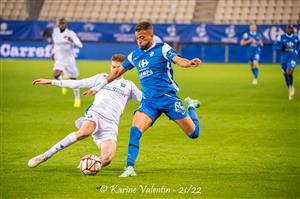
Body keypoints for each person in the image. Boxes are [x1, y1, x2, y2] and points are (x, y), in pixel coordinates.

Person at [83, 22, 202, 177]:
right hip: (149, 102)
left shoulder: (162, 48)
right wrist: (98, 87)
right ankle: (130, 168)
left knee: (194, 134)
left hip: (168, 99)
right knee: (135, 130)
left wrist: (189, 63)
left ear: (151, 36)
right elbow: (117, 71)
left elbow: (179, 60)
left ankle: (191, 106)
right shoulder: (135, 55)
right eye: (137, 38)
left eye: (142, 37)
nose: (139, 41)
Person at [28, 54, 142, 169]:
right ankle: (45, 156)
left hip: (111, 124)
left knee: (107, 159)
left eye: (119, 67)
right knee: (84, 132)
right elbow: (78, 83)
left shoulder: (129, 85)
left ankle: (87, 165)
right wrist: (51, 81)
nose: (116, 70)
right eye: (113, 67)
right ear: (110, 66)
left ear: (125, 69)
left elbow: (145, 99)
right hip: (96, 114)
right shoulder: (101, 78)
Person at [52, 18, 83, 107]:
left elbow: (80, 45)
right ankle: (63, 84)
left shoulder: (71, 34)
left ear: (65, 24)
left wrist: (73, 40)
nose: (61, 25)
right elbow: (56, 42)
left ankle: (77, 99)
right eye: (59, 23)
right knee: (56, 75)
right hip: (60, 58)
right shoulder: (55, 32)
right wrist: (53, 52)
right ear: (58, 24)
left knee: (74, 80)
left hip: (69, 59)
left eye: (63, 24)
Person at [274, 24, 299, 100]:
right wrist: (280, 47)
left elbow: (298, 45)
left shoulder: (296, 37)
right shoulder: (281, 37)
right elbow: (274, 46)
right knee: (285, 74)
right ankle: (289, 88)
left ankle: (291, 86)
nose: (289, 30)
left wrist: (298, 51)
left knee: (289, 71)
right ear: (286, 29)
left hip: (292, 56)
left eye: (290, 28)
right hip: (284, 58)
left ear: (292, 29)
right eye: (288, 28)